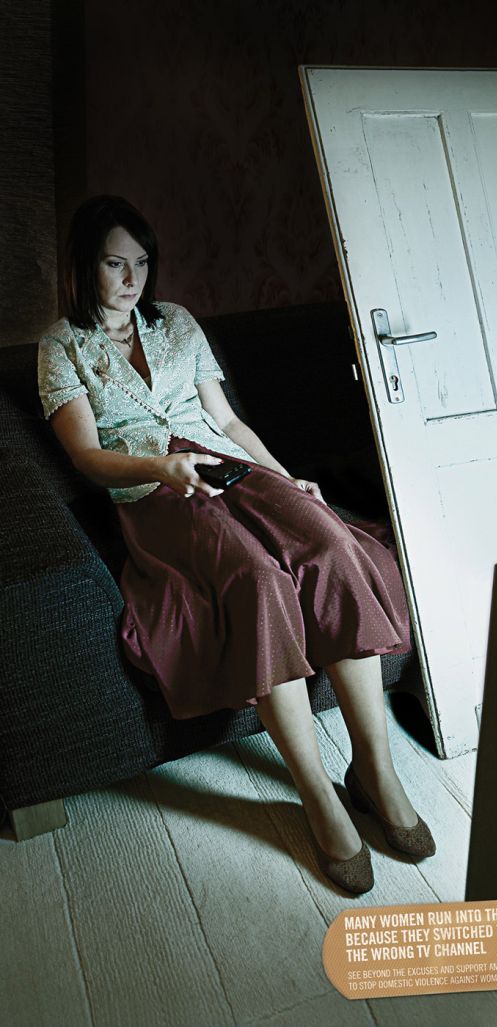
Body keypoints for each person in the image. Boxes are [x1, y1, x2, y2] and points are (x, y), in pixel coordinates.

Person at [37, 195, 435, 894]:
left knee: (334, 547)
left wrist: (285, 477)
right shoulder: (61, 345)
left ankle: (374, 771)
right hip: (154, 489)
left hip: (232, 466)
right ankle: (316, 794)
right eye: (114, 263)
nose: (131, 279)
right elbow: (88, 457)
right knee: (257, 580)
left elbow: (225, 420)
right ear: (83, 266)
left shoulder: (176, 322)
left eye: (141, 263)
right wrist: (161, 468)